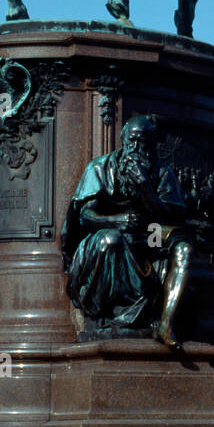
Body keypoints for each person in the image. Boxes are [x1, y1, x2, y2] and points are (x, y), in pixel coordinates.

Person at [61, 115, 191, 348]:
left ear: (152, 143)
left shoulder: (161, 172)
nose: (137, 147)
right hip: (106, 230)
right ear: (122, 140)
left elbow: (171, 217)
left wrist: (145, 189)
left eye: (144, 141)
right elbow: (83, 216)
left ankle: (165, 322)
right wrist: (115, 220)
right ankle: (99, 314)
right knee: (110, 241)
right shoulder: (100, 168)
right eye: (133, 140)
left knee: (183, 249)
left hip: (150, 232)